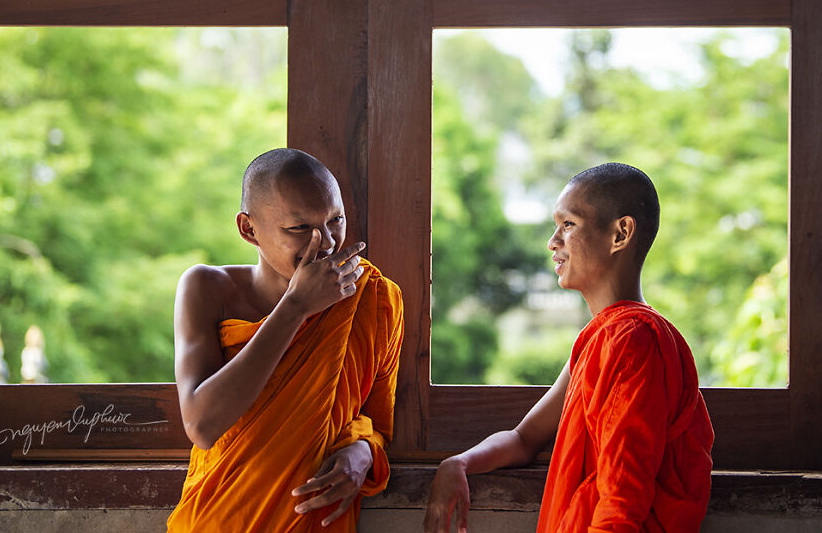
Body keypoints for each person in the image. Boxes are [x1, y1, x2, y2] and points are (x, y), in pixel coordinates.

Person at [424, 163, 713, 533]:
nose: (552, 241)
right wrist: (459, 463)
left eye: (569, 225)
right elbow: (524, 438)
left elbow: (622, 501)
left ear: (620, 233)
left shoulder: (634, 340)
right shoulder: (599, 339)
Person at [167, 148, 404, 533]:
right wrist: (295, 308)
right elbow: (202, 424)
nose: (325, 242)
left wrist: (363, 451)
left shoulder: (374, 298)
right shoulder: (208, 288)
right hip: (221, 519)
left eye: (335, 220)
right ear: (249, 229)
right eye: (299, 229)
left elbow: (378, 422)